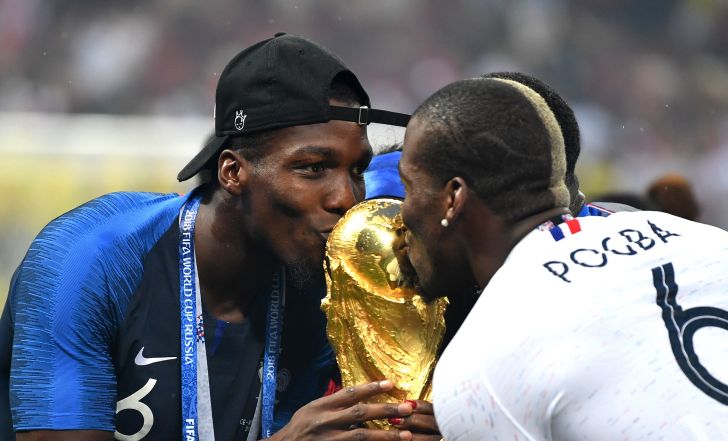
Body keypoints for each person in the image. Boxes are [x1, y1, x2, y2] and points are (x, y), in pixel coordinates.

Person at [1, 33, 423, 441]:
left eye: (356, 171)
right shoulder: (89, 263)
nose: (346, 198)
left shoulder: (328, 278)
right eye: (313, 168)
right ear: (232, 172)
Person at [398, 76, 728, 440]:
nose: (401, 214)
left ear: (453, 198)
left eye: (408, 187)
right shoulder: (698, 237)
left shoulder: (479, 364)